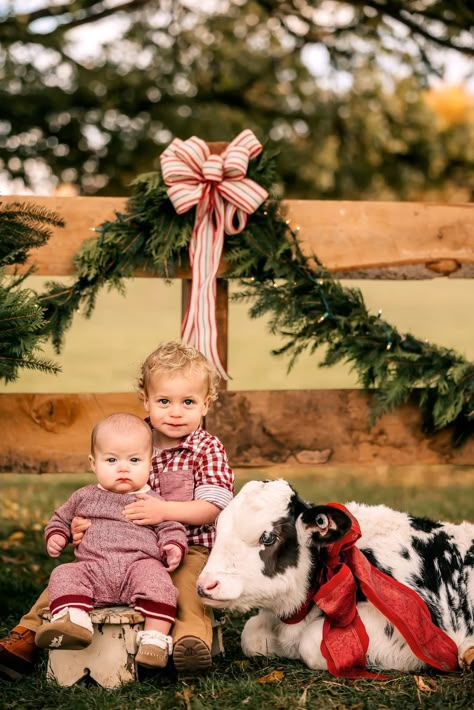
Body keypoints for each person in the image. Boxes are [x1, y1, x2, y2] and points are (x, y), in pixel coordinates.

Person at [0, 341, 234, 680]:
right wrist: (82, 526)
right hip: (125, 545)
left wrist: (163, 510)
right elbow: (103, 489)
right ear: (146, 400)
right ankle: (27, 637)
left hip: (191, 546)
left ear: (206, 403)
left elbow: (213, 507)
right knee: (67, 578)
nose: (175, 412)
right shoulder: (131, 436)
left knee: (186, 589)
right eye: (164, 401)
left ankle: (188, 644)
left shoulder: (205, 447)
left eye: (188, 402)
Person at [35, 412, 187, 669]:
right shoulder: (83, 496)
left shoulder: (151, 500)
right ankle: (74, 622)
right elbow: (60, 519)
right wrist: (58, 536)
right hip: (93, 569)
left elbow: (170, 526)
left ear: (150, 463)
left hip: (138, 566)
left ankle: (155, 639)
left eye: (135, 460)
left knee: (159, 581)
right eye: (112, 460)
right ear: (94, 463)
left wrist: (172, 545)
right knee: (63, 574)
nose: (123, 468)